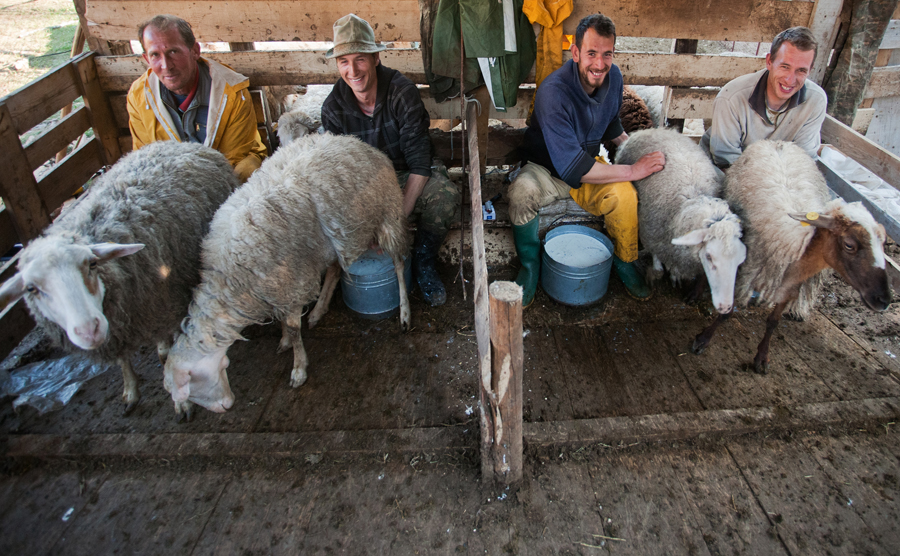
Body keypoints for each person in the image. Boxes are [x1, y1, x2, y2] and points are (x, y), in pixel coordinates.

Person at [507, 13, 665, 306]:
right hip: (547, 170)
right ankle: (530, 265)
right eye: (591, 53)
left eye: (607, 54)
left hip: (587, 167)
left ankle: (624, 260)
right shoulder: (554, 92)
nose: (599, 63)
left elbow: (610, 125)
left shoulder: (613, 78)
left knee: (625, 197)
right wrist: (632, 168)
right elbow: (573, 167)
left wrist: (634, 150)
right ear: (575, 52)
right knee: (520, 193)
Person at [321, 14, 460, 307]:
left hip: (405, 172)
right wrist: (367, 224)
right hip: (365, 187)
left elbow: (420, 163)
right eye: (343, 61)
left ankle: (423, 259)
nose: (353, 70)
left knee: (445, 195)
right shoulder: (333, 109)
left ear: (375, 57)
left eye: (360, 59)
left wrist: (394, 222)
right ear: (337, 65)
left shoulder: (401, 93)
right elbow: (341, 179)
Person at [127, 14, 267, 182]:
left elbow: (234, 157)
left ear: (194, 51)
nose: (166, 66)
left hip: (222, 173)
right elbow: (145, 157)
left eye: (173, 51)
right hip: (171, 179)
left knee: (246, 171)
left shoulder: (231, 91)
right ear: (146, 59)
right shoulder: (139, 96)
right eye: (155, 55)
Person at [700, 26, 827, 171]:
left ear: (810, 70)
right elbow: (725, 160)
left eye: (801, 70)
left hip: (779, 175)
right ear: (769, 61)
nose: (790, 80)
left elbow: (803, 159)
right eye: (785, 66)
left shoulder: (815, 101)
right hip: (730, 172)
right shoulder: (732, 97)